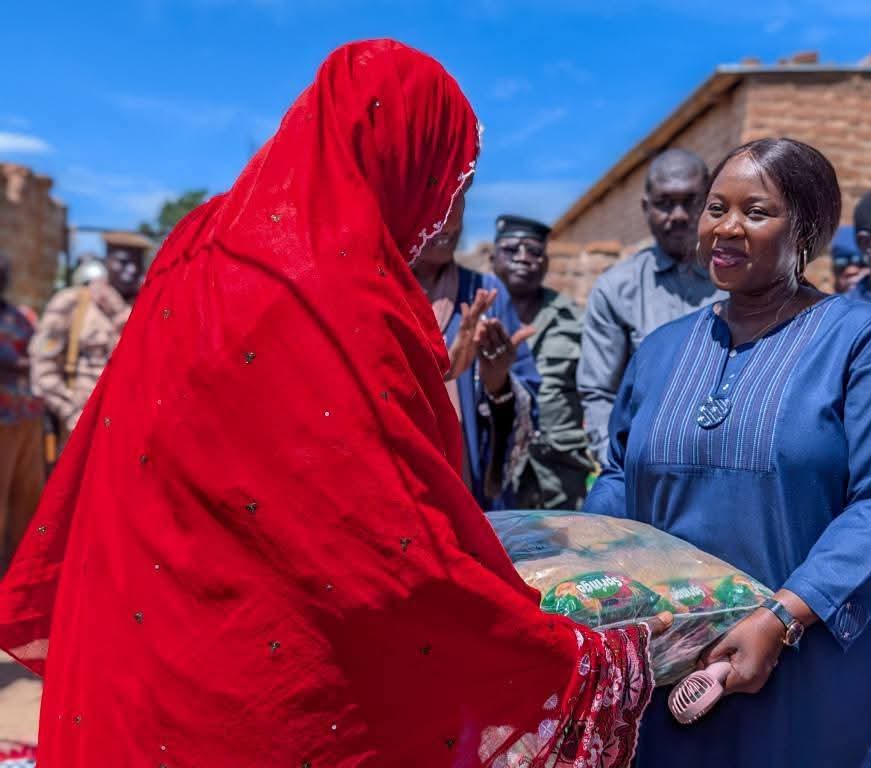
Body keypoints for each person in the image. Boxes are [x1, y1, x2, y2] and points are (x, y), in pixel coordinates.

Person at [0, 40, 671, 767]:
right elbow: (373, 533)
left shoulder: (199, 240)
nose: (446, 206)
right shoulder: (344, 286)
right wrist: (561, 651)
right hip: (260, 678)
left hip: (139, 627)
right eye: (446, 179)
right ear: (400, 156)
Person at [586, 137, 871, 767]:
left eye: (756, 212)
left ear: (807, 231)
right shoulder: (663, 350)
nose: (726, 227)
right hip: (676, 665)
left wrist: (782, 617)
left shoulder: (864, 343)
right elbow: (620, 478)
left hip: (819, 669)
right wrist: (578, 567)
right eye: (717, 208)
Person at [578, 149, 723, 465]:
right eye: (665, 203)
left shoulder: (738, 279)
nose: (679, 215)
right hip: (645, 467)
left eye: (692, 201)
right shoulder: (617, 289)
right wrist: (618, 467)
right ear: (646, 208)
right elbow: (599, 394)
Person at [412, 204, 540, 510]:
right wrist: (443, 369)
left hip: (472, 488)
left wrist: (499, 386)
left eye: (457, 204)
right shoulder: (380, 289)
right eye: (437, 205)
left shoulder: (488, 293)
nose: (450, 223)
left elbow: (527, 393)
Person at [490, 214, 594, 510]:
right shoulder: (475, 317)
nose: (524, 259)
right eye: (512, 250)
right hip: (492, 472)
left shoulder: (573, 319)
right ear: (491, 257)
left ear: (546, 262)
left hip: (560, 472)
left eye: (535, 252)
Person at [29, 247, 141, 437]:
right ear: (107, 263)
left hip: (127, 430)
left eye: (136, 265)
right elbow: (43, 366)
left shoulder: (146, 309)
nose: (129, 270)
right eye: (122, 262)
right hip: (78, 427)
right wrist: (71, 413)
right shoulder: (73, 302)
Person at [0, 252, 45, 571]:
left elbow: (41, 352)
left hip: (28, 417)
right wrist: (25, 365)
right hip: (2, 421)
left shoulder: (20, 316)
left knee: (27, 498)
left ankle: (20, 569)